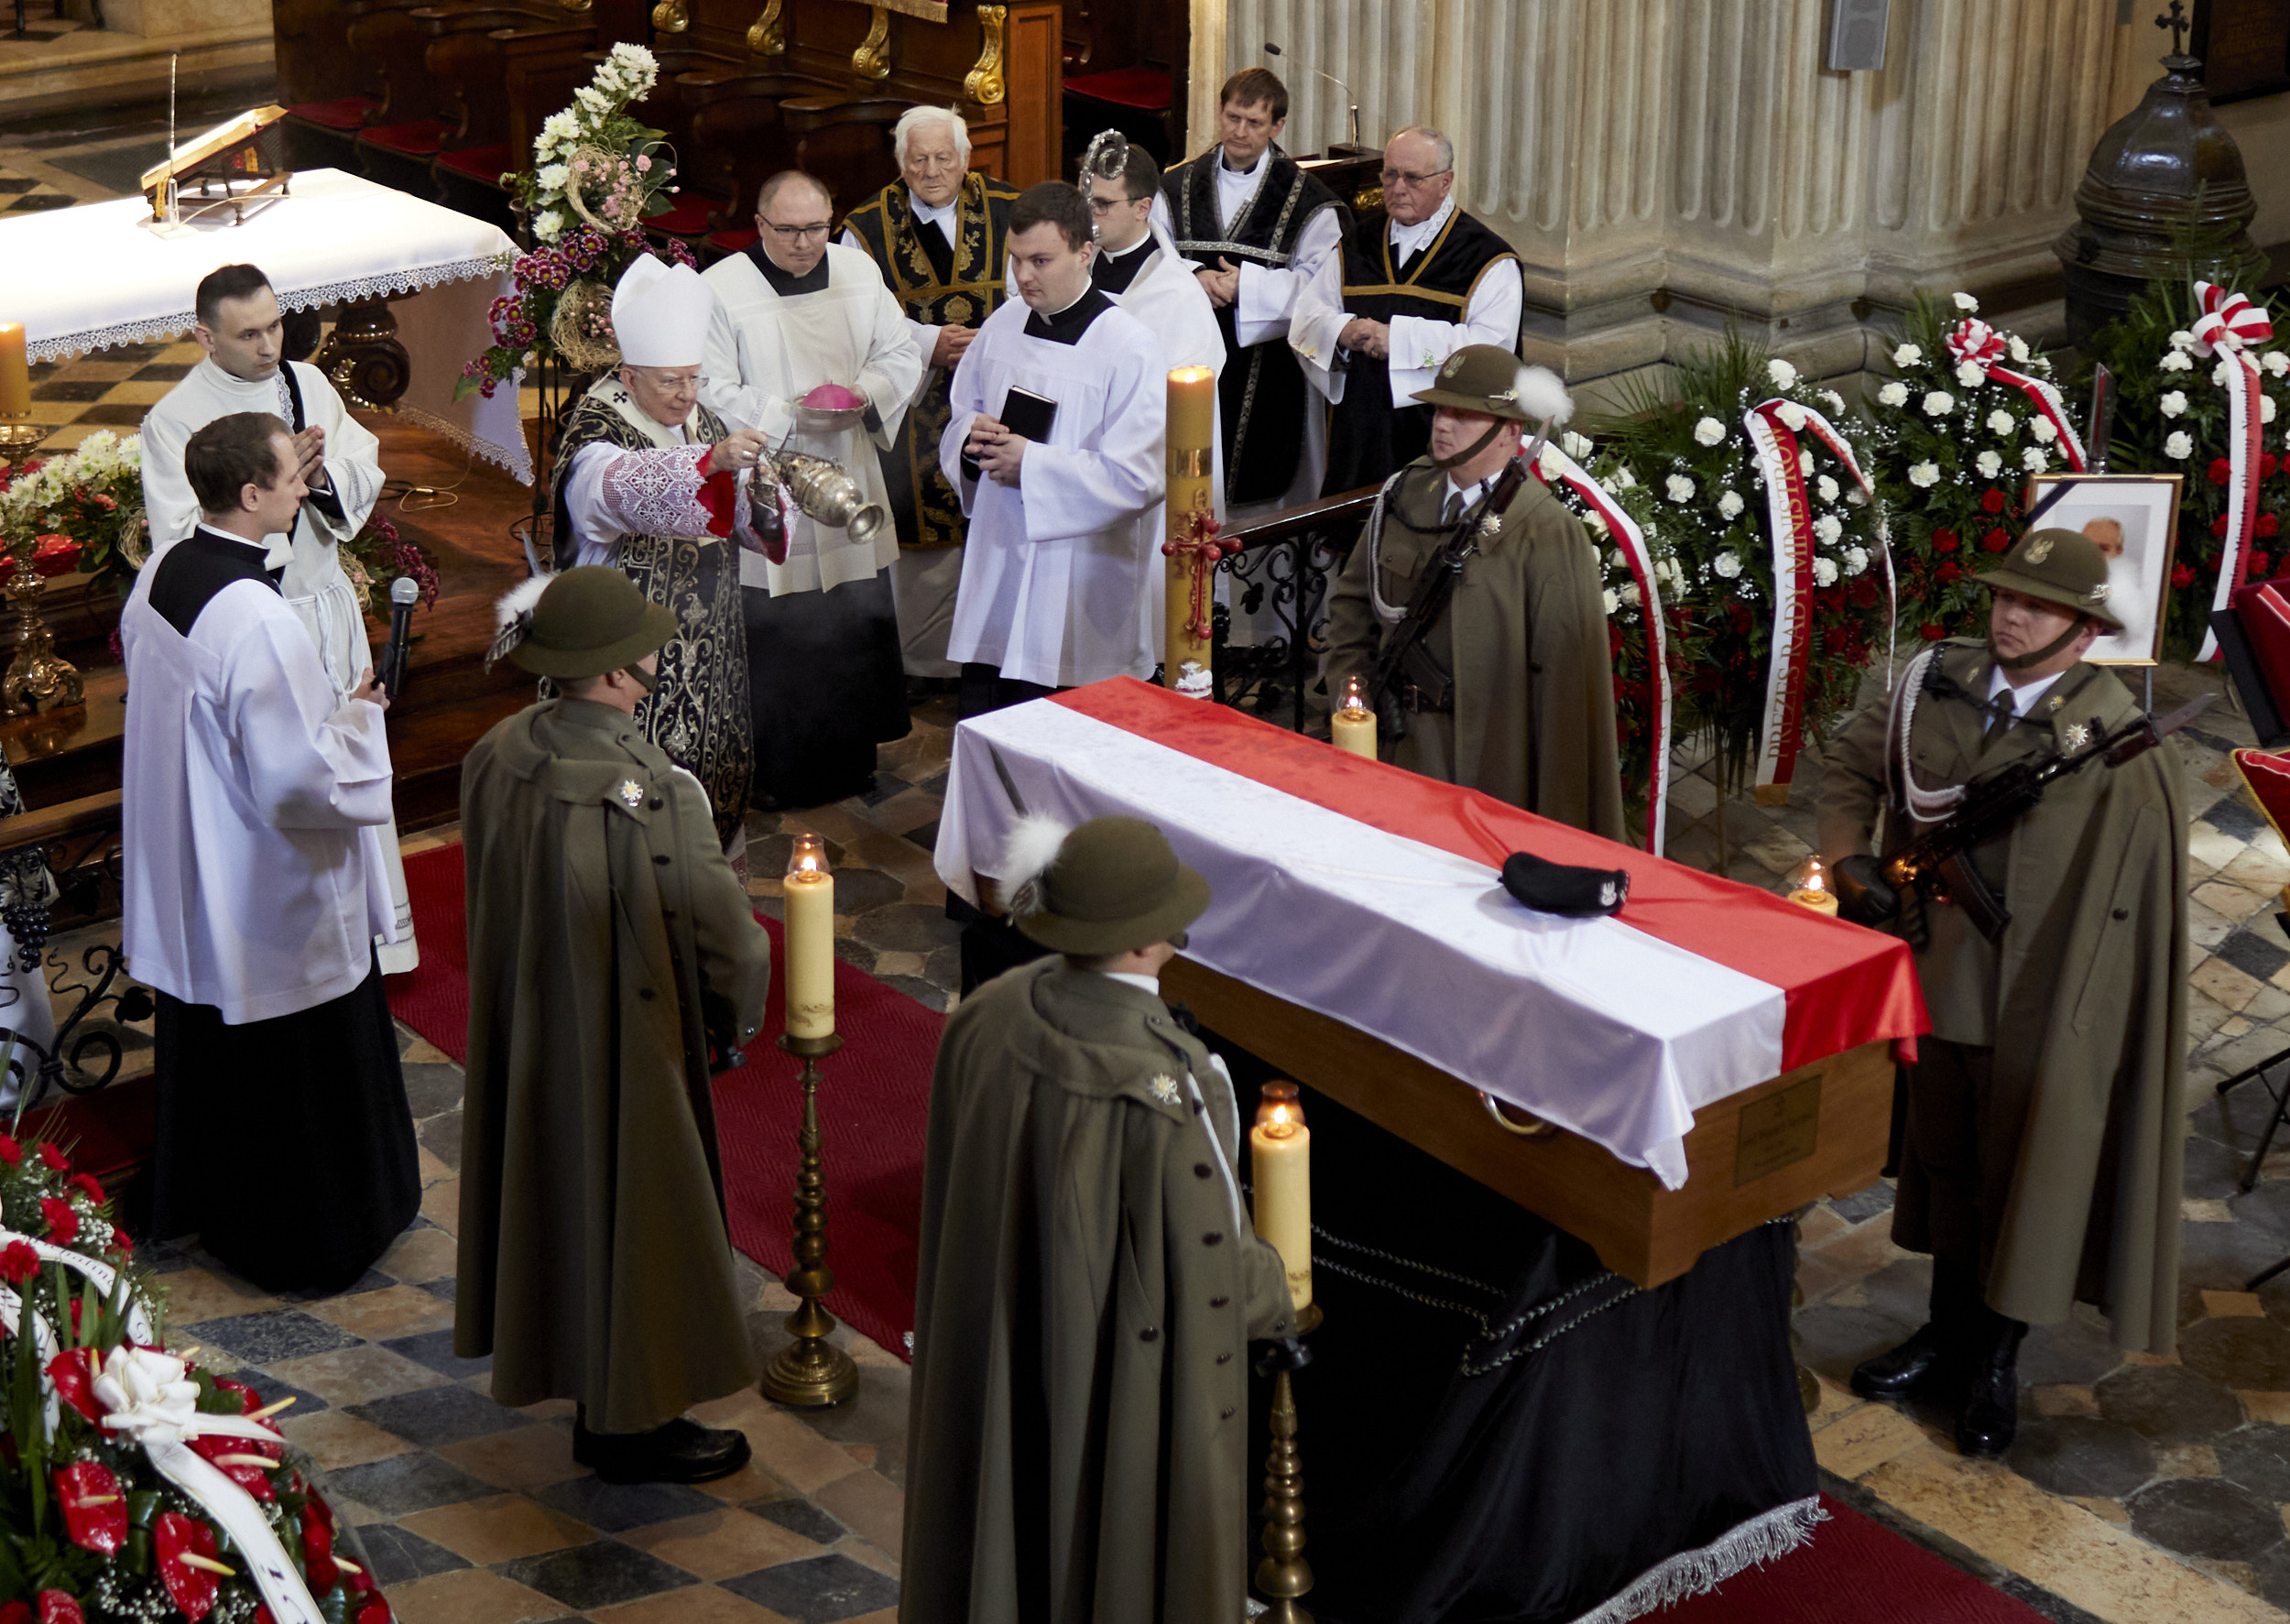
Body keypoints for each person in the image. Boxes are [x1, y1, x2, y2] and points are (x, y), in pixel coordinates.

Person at [1819, 529, 2186, 1457]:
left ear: (2082, 630)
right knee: (1945, 1167)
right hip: (1933, 983)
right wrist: (1849, 860)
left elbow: (2129, 909)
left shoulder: (2111, 745)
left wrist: (2088, 1027)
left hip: (2040, 1006)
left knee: (2024, 1180)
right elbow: (1849, 769)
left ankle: (1992, 1361)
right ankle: (1944, 1332)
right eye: (2003, 596)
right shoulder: (1931, 683)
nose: (2011, 615)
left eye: (2037, 605)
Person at [902, 815, 1295, 1622]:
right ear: (1151, 938)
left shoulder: (988, 1014)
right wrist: (1283, 1291)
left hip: (1004, 1345)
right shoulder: (1168, 1084)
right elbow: (1214, 1272)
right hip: (1113, 1391)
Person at [457, 566, 773, 1485]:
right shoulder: (652, 791)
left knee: (556, 1202)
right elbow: (728, 944)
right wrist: (734, 1024)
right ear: (618, 670)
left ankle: (582, 1379)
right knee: (640, 1219)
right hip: (631, 1041)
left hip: (529, 1023)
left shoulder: (499, 750)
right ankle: (631, 1421)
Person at [120, 411, 419, 1292]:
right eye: (291, 477)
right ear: (251, 495)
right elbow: (297, 781)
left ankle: (207, 1201)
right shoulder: (258, 615)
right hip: (264, 881)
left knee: (215, 1046)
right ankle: (315, 1236)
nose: (302, 488)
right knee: (302, 1069)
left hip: (192, 852)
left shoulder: (165, 569)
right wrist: (361, 717)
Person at [140, 262, 419, 973]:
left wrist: (318, 478)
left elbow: (364, 463)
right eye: (249, 334)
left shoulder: (305, 382)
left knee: (348, 758)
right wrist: (268, 488)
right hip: (259, 625)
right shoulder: (173, 417)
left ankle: (369, 938)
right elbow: (182, 539)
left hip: (325, 610)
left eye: (275, 325)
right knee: (292, 777)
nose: (270, 346)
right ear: (204, 335)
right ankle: (298, 939)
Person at [1320, 345, 1625, 838]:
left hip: (1491, 766)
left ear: (1511, 430)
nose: (1443, 425)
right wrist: (1350, 697)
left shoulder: (1546, 531)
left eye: (1463, 415)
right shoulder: (1404, 493)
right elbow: (1355, 603)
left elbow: (1568, 690)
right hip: (1396, 743)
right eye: (1440, 409)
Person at [702, 170, 922, 807]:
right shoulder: (722, 290)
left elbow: (900, 350)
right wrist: (790, 415)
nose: (804, 243)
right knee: (781, 624)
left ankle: (852, 761)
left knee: (854, 616)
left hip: (850, 459)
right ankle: (779, 771)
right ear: (761, 226)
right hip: (770, 476)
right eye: (789, 230)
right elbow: (711, 386)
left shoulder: (858, 272)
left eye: (817, 228)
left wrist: (863, 395)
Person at [551, 255, 779, 862]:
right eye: (670, 381)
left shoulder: (702, 418)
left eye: (694, 378)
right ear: (628, 378)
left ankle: (708, 918)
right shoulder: (596, 430)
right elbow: (617, 491)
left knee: (708, 789)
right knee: (631, 797)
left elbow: (735, 519)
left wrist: (768, 497)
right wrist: (711, 465)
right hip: (625, 662)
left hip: (712, 657)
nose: (686, 396)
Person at [938, 182, 1166, 718]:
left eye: (1041, 260)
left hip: (1077, 578)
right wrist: (973, 440)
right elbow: (960, 410)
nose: (1023, 276)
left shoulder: (1128, 346)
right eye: (1016, 260)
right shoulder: (1002, 323)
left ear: (1085, 252)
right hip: (1000, 557)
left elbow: (1140, 477)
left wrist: (1032, 464)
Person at [841, 107, 1022, 681]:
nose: (933, 170)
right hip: (912, 408)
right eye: (918, 159)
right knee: (924, 537)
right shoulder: (863, 228)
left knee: (998, 522)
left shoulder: (1011, 209)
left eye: (945, 157)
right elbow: (854, 319)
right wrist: (926, 343)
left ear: (967, 159)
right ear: (901, 163)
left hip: (996, 400)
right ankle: (925, 665)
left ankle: (995, 653)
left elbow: (1031, 292)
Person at [1154, 67, 1347, 516]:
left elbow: (1324, 289)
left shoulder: (1308, 200)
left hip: (1270, 370)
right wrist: (1195, 277)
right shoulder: (1175, 185)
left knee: (1258, 502)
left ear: (1277, 126)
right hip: (1186, 359)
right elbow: (1152, 257)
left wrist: (1249, 288)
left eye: (1254, 122)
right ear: (1220, 113)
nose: (1239, 132)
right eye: (1232, 117)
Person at [1292, 128, 1522, 496]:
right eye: (1390, 174)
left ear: (1445, 182)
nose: (1397, 188)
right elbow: (1306, 315)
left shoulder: (1488, 259)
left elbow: (1492, 354)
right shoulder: (1356, 243)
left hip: (1438, 435)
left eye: (1413, 178)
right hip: (1358, 434)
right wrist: (1342, 332)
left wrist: (1395, 340)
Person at [2080, 514, 2151, 659]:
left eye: (2103, 548)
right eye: (2088, 545)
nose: (2094, 554)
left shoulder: (2125, 598)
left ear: (2118, 551)